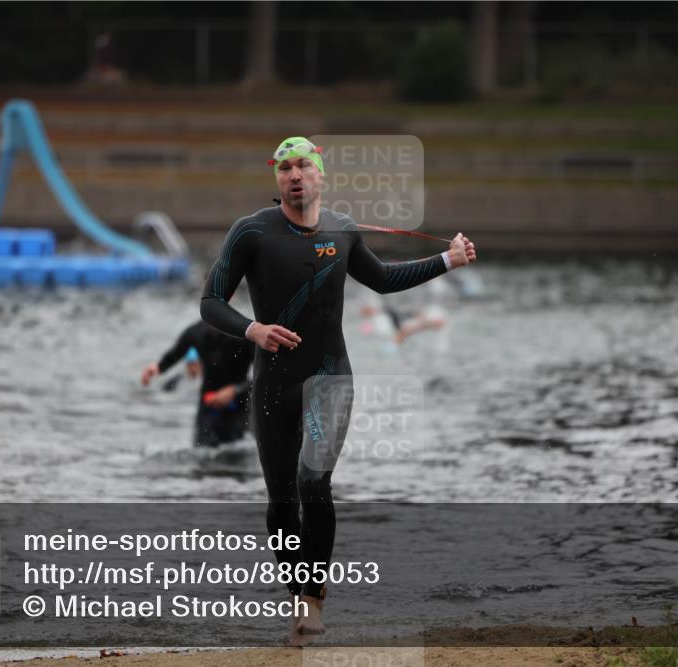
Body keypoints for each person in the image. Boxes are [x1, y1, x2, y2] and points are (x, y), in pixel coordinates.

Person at [200, 137, 476, 645]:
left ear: (321, 174)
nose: (294, 175)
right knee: (281, 503)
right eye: (285, 168)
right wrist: (252, 330)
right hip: (273, 384)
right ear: (277, 178)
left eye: (304, 165)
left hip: (331, 377)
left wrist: (448, 261)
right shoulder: (251, 232)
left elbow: (384, 281)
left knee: (313, 482)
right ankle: (297, 597)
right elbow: (211, 301)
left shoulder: (344, 230)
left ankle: (313, 603)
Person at [141, 320, 253, 448]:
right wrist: (157, 367)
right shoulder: (195, 332)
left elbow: (262, 376)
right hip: (208, 404)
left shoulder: (244, 332)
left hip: (238, 407)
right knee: (201, 453)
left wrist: (234, 391)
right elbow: (174, 355)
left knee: (237, 455)